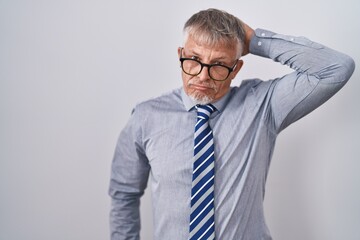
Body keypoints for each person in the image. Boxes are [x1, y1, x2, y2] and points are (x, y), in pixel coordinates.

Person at [109, 8, 355, 240]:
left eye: (218, 65)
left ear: (236, 68)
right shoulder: (146, 116)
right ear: (180, 55)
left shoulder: (263, 105)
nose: (203, 76)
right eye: (194, 59)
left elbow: (336, 68)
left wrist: (256, 40)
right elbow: (124, 195)